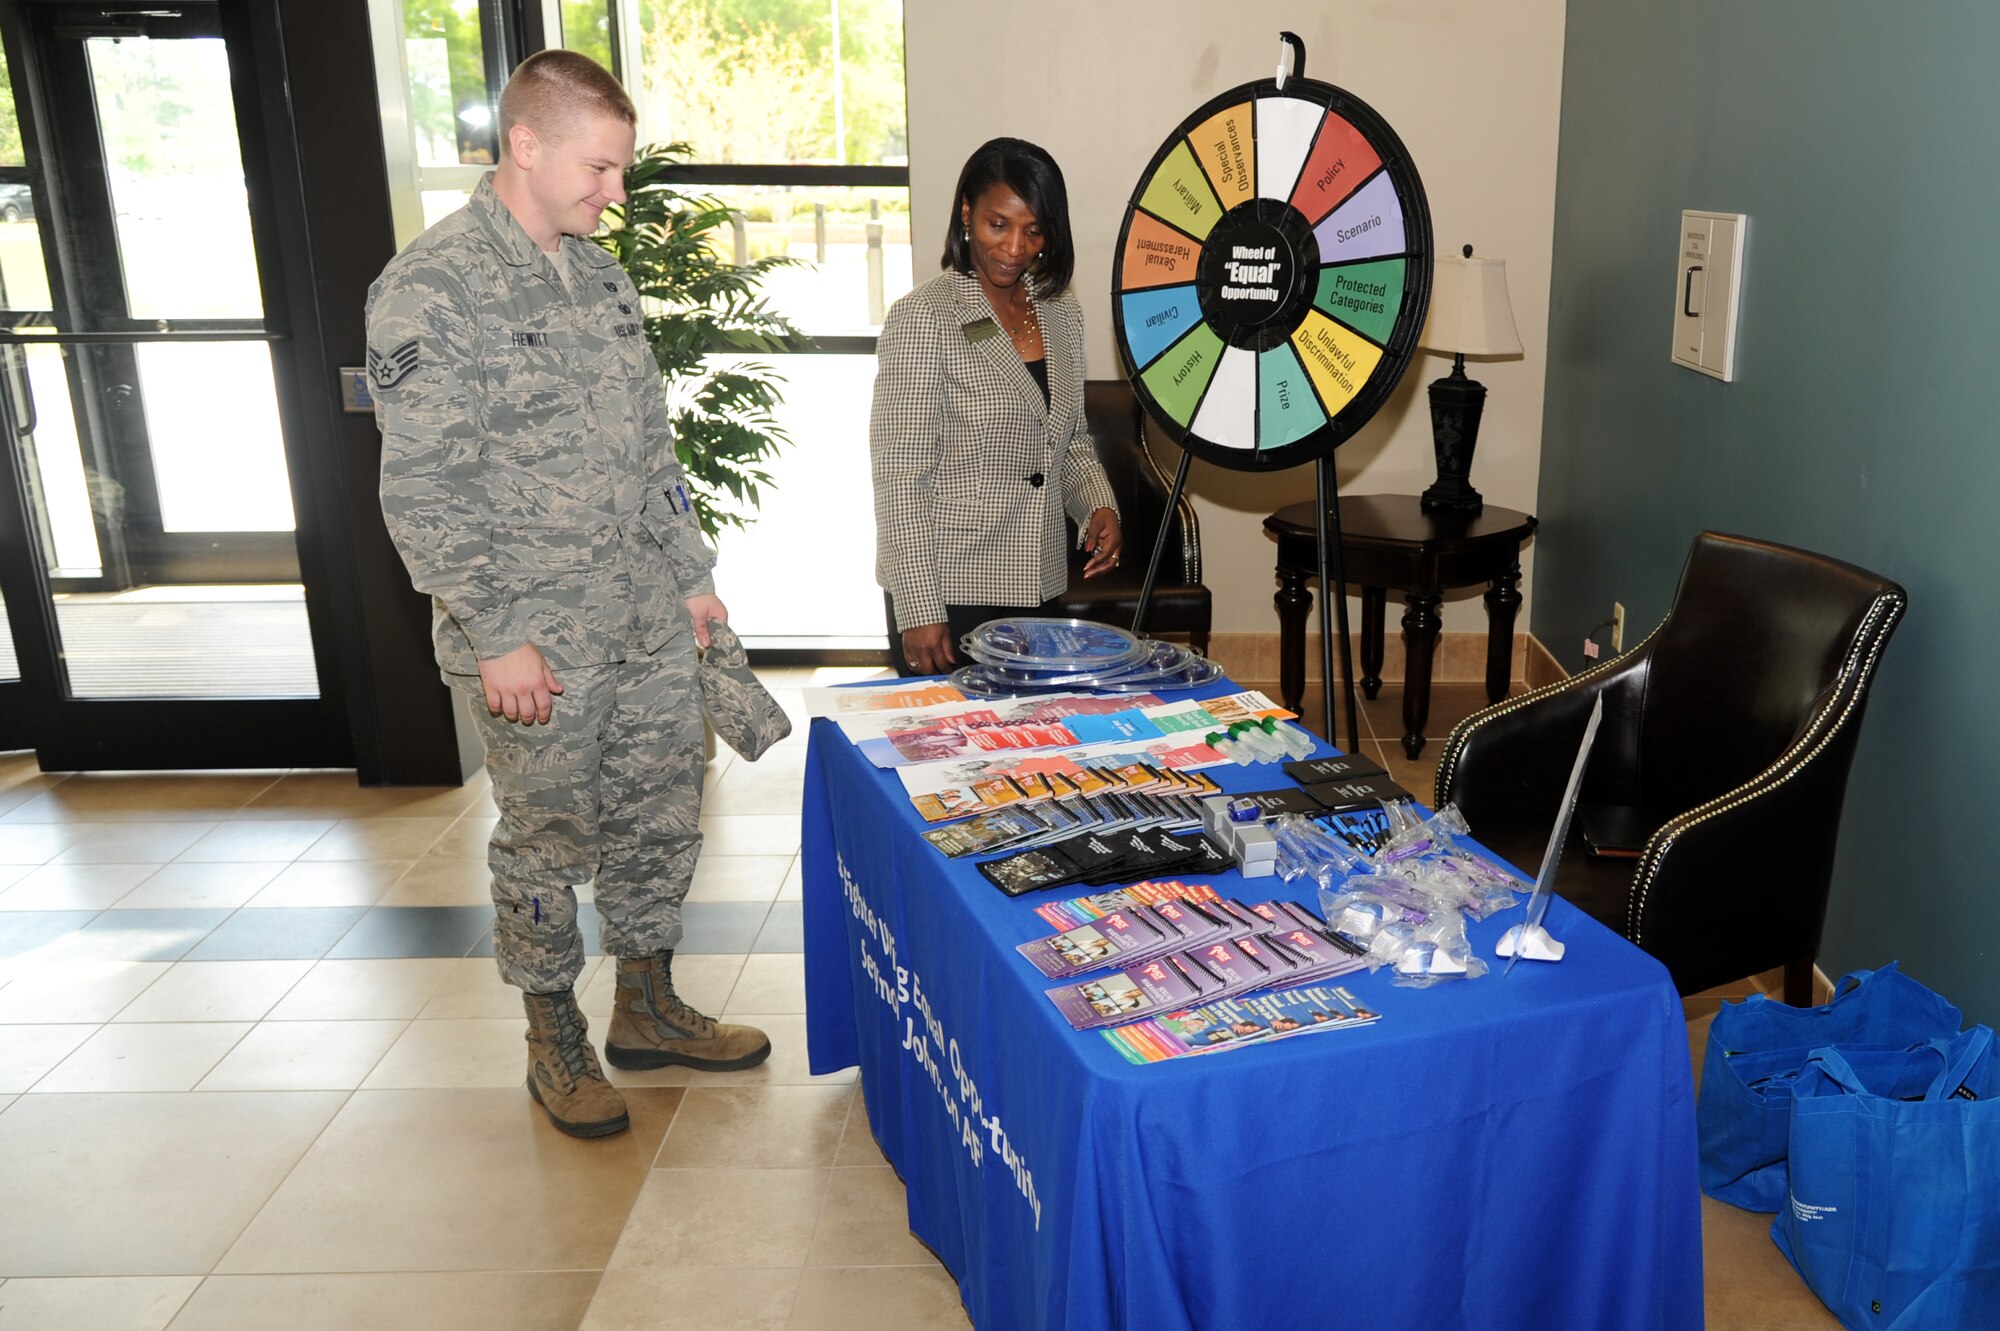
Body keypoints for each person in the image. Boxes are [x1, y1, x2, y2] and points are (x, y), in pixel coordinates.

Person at [367, 50, 769, 1141]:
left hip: (640, 617)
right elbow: (422, 488)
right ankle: (554, 1033)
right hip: (532, 641)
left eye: (621, 170)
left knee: (656, 815)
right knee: (546, 842)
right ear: (527, 146)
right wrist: (495, 635)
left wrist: (690, 577)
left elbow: (651, 451)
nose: (615, 193)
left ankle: (647, 1002)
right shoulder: (431, 286)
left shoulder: (599, 276)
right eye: (600, 168)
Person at [870, 137, 1124, 677]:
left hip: (1039, 584)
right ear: (966, 213)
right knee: (953, 759)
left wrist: (1098, 505)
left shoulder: (1062, 315)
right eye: (998, 225)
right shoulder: (924, 317)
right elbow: (899, 475)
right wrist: (918, 607)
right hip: (948, 592)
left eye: (1034, 231)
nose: (1015, 247)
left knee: (1032, 754)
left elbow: (1070, 438)